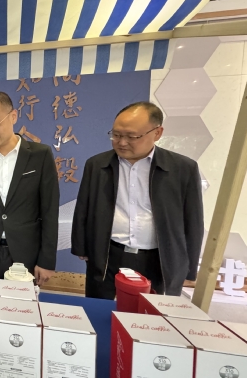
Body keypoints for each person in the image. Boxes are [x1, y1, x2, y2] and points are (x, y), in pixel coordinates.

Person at [71, 101, 204, 298]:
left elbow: (193, 220)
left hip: (158, 258)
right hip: (109, 254)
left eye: (131, 136)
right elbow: (84, 207)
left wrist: (189, 268)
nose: (122, 142)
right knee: (101, 306)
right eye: (116, 135)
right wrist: (81, 246)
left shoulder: (183, 169)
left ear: (157, 133)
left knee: (151, 311)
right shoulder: (97, 165)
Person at [0, 91, 59, 287]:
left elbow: (49, 210)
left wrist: (47, 260)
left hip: (25, 253)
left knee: (21, 305)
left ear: (13, 116)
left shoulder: (40, 155)